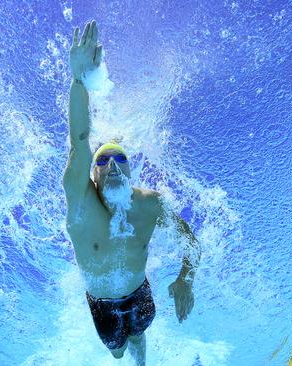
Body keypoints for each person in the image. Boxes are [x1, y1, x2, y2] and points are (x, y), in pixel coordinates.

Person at [62, 20, 202, 365]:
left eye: (119, 159)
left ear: (130, 170)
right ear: (92, 174)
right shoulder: (81, 203)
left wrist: (185, 279)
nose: (111, 165)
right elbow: (80, 143)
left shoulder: (149, 204)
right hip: (102, 305)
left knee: (139, 337)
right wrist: (79, 81)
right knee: (117, 350)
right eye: (103, 160)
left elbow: (191, 241)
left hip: (140, 295)